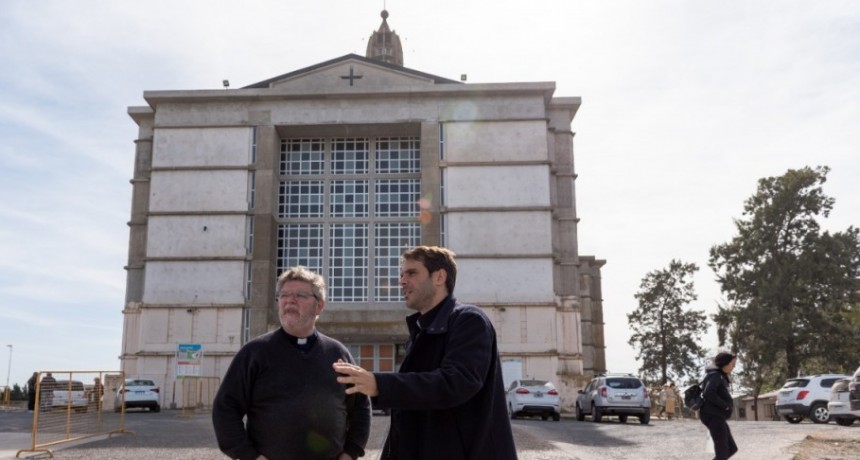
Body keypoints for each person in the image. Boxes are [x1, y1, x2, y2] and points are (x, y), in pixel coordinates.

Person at [333, 246, 518, 460]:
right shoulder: (421, 331)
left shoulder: (469, 320)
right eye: (402, 275)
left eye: (411, 273)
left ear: (439, 276)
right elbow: (411, 412)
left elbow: (456, 383)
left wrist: (379, 384)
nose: (402, 281)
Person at [212, 266, 371, 460]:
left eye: (300, 295)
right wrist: (248, 455)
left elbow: (361, 406)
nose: (290, 300)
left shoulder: (338, 354)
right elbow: (225, 408)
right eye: (284, 295)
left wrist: (351, 452)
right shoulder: (254, 353)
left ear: (319, 305)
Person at [700, 352, 738, 460]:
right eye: (732, 363)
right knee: (722, 453)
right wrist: (725, 406)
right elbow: (709, 392)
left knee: (731, 448)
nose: (734, 366)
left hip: (718, 417)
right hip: (713, 416)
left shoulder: (720, 376)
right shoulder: (715, 375)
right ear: (725, 364)